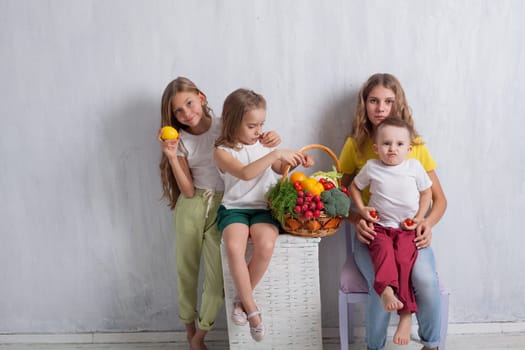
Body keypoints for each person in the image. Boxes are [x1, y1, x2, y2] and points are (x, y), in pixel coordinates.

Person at [158, 77, 281, 350]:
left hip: (224, 205)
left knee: (217, 281)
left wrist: (271, 138)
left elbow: (253, 139)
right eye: (178, 111)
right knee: (186, 271)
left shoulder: (225, 125)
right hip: (192, 206)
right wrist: (170, 155)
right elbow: (188, 191)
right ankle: (190, 334)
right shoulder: (180, 139)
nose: (187, 113)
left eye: (189, 103)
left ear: (200, 97)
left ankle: (201, 336)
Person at [339, 73, 447, 350]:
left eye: (388, 101)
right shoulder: (356, 145)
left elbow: (439, 199)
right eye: (373, 100)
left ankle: (431, 344)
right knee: (381, 283)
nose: (380, 108)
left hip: (411, 232)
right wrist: (356, 218)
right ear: (365, 104)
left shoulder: (415, 146)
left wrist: (426, 223)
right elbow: (336, 195)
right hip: (374, 234)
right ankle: (375, 347)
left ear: (398, 104)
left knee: (423, 277)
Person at [214, 88, 314, 342]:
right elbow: (246, 173)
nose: (258, 130)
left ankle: (241, 301)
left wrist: (296, 159)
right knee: (234, 247)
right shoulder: (222, 151)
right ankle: (254, 312)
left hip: (263, 207)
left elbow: (280, 167)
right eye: (251, 125)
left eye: (261, 124)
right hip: (234, 208)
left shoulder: (262, 144)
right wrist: (275, 153)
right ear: (232, 122)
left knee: (266, 244)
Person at [349, 117, 433, 345]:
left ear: (409, 148)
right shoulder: (372, 167)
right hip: (380, 227)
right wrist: (362, 208)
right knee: (384, 255)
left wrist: (419, 218)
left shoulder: (414, 167)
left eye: (398, 144)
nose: (392, 149)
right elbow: (354, 187)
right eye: (386, 144)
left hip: (407, 230)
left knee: (406, 262)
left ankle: (406, 315)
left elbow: (427, 193)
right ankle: (386, 289)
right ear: (376, 148)